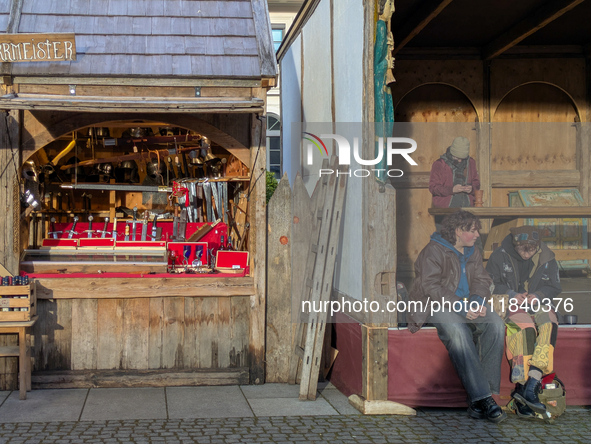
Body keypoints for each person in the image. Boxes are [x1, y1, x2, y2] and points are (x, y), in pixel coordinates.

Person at [408, 210, 507, 423]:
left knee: (496, 324)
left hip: (467, 303)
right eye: (473, 231)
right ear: (458, 231)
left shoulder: (473, 251)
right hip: (435, 304)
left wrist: (478, 301)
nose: (477, 235)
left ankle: (479, 399)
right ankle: (485, 398)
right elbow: (431, 287)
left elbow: (482, 279)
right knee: (458, 332)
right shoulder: (433, 251)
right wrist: (462, 307)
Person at [485, 225, 561, 418]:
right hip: (511, 304)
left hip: (537, 303)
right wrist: (511, 294)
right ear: (515, 244)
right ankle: (522, 388)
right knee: (525, 329)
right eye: (522, 248)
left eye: (532, 249)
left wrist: (538, 295)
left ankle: (532, 383)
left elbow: (554, 287)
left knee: (550, 323)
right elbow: (488, 284)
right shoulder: (499, 255)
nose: (527, 253)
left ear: (538, 245)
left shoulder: (547, 257)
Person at [429, 136, 480, 208]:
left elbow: (476, 183)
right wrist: (452, 190)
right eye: (457, 158)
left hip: (467, 207)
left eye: (462, 158)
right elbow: (433, 188)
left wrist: (471, 189)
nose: (459, 161)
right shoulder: (440, 164)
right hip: (445, 209)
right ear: (452, 153)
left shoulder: (471, 162)